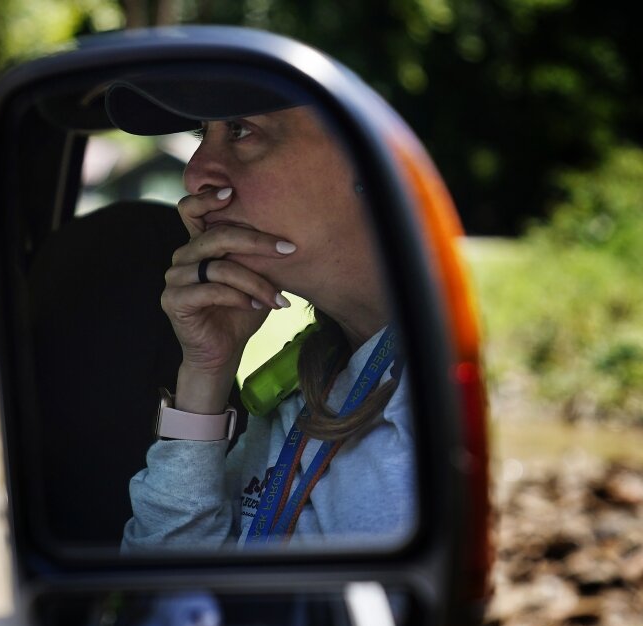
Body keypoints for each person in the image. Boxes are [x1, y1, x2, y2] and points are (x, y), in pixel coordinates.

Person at [105, 76, 416, 551]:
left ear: (367, 154)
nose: (195, 176)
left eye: (241, 131)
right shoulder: (312, 380)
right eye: (200, 136)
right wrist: (207, 374)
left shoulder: (441, 392)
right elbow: (162, 603)